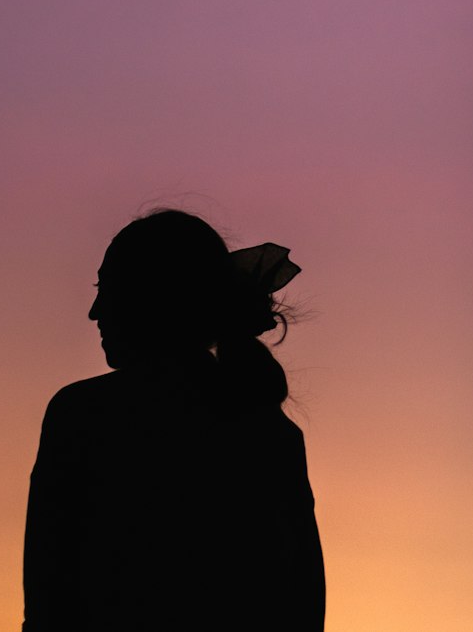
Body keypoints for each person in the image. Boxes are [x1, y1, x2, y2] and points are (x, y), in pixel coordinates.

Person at [22, 208, 325, 631]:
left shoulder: (85, 416)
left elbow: (48, 605)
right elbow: (302, 608)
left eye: (108, 288)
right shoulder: (271, 432)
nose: (95, 311)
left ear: (155, 296)